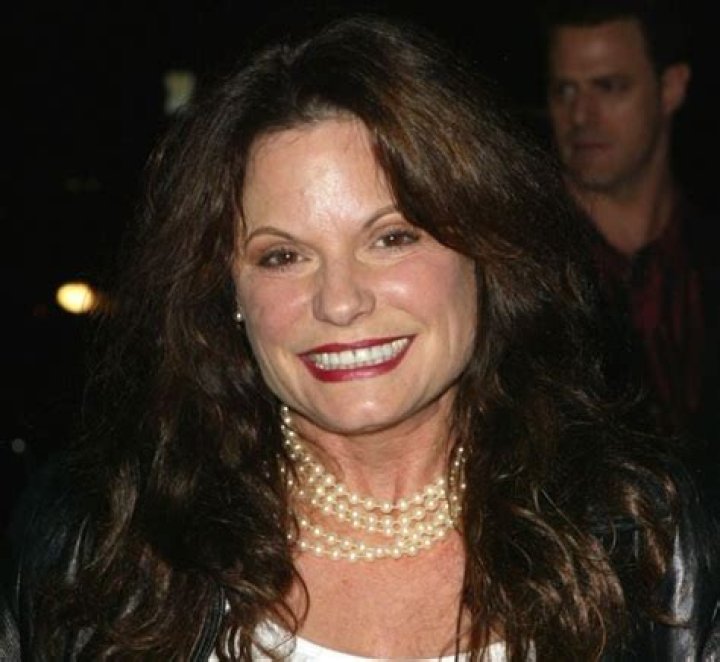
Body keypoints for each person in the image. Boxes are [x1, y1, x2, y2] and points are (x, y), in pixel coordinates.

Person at [2, 14, 718, 661]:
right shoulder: (97, 548)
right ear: (227, 293)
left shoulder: (645, 538)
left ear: (486, 254)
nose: (340, 302)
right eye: (283, 255)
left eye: (391, 238)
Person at [542, 0, 720, 445]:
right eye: (565, 91)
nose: (581, 116)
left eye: (609, 87)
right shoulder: (527, 265)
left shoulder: (705, 256)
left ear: (671, 88)